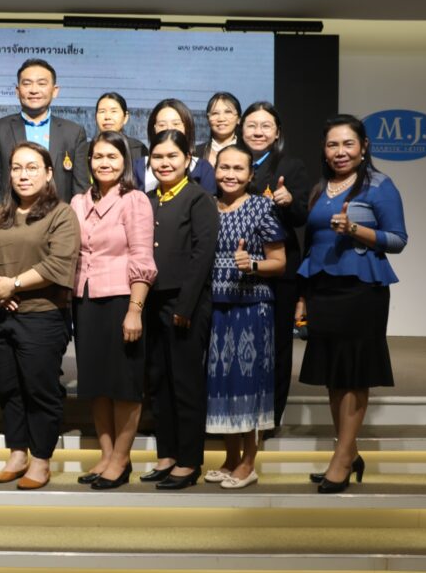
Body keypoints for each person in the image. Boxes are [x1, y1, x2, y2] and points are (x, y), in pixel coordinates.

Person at [297, 114, 407, 494]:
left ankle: (341, 459)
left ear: (363, 147)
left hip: (362, 291)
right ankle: (349, 451)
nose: (340, 151)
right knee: (334, 376)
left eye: (348, 143)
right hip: (322, 289)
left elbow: (398, 239)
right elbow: (312, 245)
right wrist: (302, 297)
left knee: (355, 376)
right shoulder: (319, 188)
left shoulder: (380, 185)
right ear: (324, 150)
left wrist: (355, 229)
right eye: (333, 144)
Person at [0, 142, 80, 490]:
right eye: (16, 168)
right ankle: (17, 454)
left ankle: (41, 460)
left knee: (40, 391)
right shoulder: (1, 213)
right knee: (8, 388)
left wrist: (13, 285)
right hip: (3, 314)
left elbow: (58, 264)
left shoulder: (61, 214)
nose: (23, 175)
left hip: (42, 316)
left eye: (31, 168)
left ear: (49, 173)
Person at [70, 132, 156, 490]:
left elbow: (142, 258)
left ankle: (121, 459)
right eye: (98, 156)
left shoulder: (135, 200)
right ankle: (106, 455)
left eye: (112, 156)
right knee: (96, 385)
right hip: (85, 300)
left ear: (125, 162)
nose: (104, 163)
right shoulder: (78, 201)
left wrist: (135, 309)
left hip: (122, 299)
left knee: (123, 385)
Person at [204, 144, 286, 489]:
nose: (230, 174)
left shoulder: (262, 207)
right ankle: (230, 458)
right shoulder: (206, 206)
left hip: (252, 308)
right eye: (224, 167)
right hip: (216, 307)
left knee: (249, 385)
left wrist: (251, 264)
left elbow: (279, 262)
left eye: (238, 169)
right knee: (222, 384)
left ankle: (249, 462)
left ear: (251, 174)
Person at [142, 130, 219, 490]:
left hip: (185, 303)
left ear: (188, 159)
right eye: (158, 157)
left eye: (172, 156)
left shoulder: (198, 198)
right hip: (152, 301)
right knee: (158, 381)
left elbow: (202, 255)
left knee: (186, 384)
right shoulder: (147, 199)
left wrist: (185, 306)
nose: (165, 163)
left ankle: (189, 462)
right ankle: (167, 456)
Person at [240, 101, 312, 427]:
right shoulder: (231, 161)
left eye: (266, 126)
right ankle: (240, 412)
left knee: (278, 344)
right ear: (241, 129)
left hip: (279, 269)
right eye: (252, 125)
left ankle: (271, 417)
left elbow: (301, 216)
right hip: (239, 266)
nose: (258, 131)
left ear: (277, 132)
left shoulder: (291, 166)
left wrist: (289, 202)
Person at [0, 58, 90, 221]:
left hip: (59, 224)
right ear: (17, 91)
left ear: (55, 90)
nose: (34, 90)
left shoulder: (73, 132)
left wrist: (72, 226)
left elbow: (80, 189)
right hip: (11, 224)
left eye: (41, 83)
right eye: (27, 84)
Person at [137, 99, 217, 194]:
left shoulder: (202, 168)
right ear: (154, 128)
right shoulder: (138, 167)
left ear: (187, 127)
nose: (169, 129)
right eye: (162, 125)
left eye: (176, 124)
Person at [95, 92, 148, 163]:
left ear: (125, 117)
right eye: (102, 111)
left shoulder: (137, 148)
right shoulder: (86, 149)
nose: (107, 117)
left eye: (113, 111)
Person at [196, 92, 241, 167]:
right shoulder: (195, 153)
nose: (221, 119)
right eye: (215, 113)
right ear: (208, 119)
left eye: (228, 112)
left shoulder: (248, 151)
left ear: (238, 119)